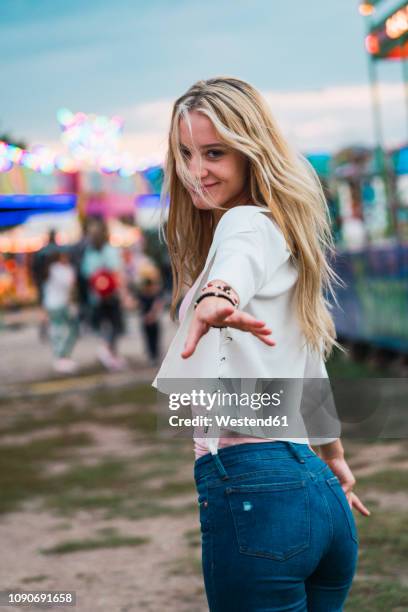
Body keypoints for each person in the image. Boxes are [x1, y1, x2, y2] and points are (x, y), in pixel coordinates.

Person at [152, 77, 370, 611]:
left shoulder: (247, 225)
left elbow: (235, 264)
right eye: (185, 153)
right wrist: (335, 458)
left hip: (257, 498)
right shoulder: (281, 233)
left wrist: (216, 296)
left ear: (251, 153)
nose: (195, 170)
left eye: (214, 153)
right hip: (319, 493)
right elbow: (306, 366)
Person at [80, 218, 128, 371]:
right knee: (115, 325)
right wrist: (124, 294)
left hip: (97, 297)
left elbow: (87, 274)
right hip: (112, 296)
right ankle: (109, 351)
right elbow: (117, 273)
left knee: (103, 325)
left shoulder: (89, 253)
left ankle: (107, 351)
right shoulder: (110, 250)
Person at [42, 250, 78, 373]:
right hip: (57, 304)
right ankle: (61, 357)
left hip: (61, 304)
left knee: (68, 331)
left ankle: (64, 356)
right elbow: (68, 285)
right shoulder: (57, 269)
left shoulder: (63, 269)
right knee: (59, 331)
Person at [134, 270, 164, 366]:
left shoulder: (154, 295)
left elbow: (158, 305)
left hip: (153, 321)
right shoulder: (141, 296)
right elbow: (137, 305)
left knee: (155, 339)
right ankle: (152, 356)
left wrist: (152, 315)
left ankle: (155, 356)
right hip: (146, 321)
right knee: (148, 340)